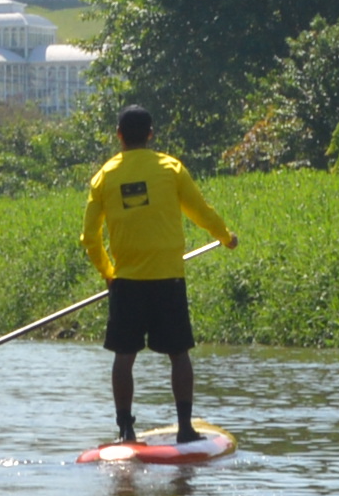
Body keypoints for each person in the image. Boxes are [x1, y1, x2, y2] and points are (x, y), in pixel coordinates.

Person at [80, 105, 237, 448]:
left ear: (119, 135)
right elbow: (201, 212)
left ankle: (125, 430)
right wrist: (226, 237)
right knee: (179, 354)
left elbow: (90, 238)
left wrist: (108, 273)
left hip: (126, 282)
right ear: (150, 134)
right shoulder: (171, 168)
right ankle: (185, 427)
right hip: (168, 280)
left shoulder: (104, 176)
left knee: (124, 356)